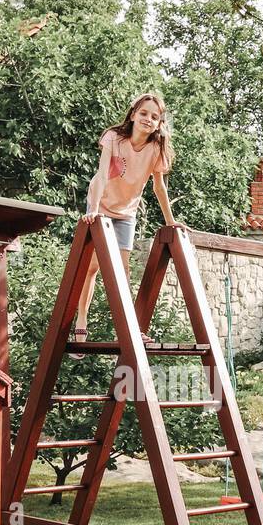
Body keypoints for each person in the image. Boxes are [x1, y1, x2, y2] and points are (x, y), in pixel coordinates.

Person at [74, 93, 178, 346]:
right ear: (133, 115)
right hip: (100, 205)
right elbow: (100, 175)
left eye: (154, 117)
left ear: (159, 123)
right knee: (91, 268)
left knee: (122, 272)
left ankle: (128, 328)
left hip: (126, 213)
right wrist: (94, 209)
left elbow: (159, 187)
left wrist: (171, 222)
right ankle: (81, 322)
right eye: (143, 113)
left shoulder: (156, 148)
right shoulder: (114, 138)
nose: (148, 119)